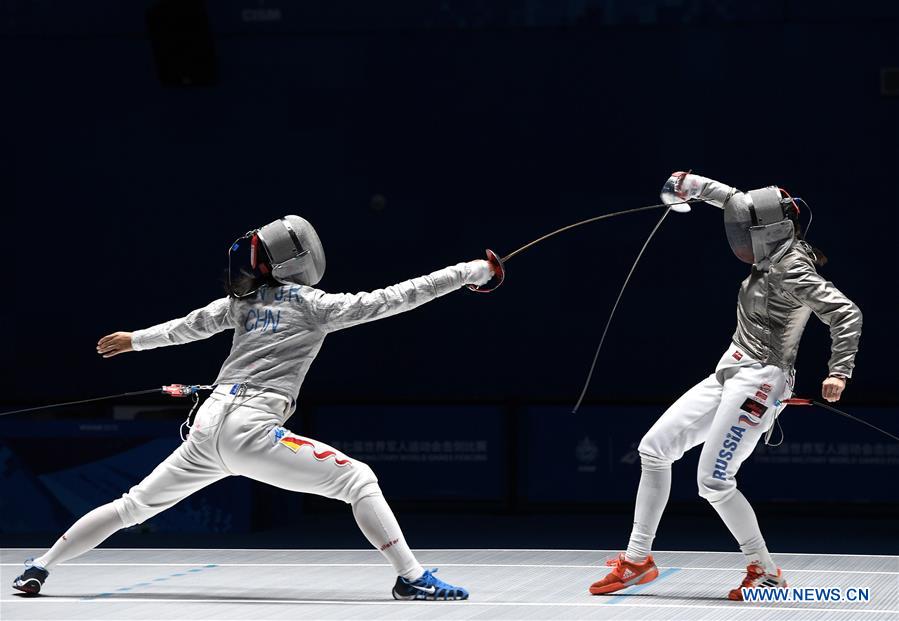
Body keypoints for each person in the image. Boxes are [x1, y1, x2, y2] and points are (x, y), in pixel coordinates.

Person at [14, 215, 496, 600]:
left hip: (206, 428)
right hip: (249, 429)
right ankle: (409, 577)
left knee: (132, 506)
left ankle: (40, 567)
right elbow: (398, 297)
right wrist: (471, 271)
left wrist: (134, 340)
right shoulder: (315, 304)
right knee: (357, 480)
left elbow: (187, 326)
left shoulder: (241, 303)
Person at [589, 173, 862, 600]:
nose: (741, 237)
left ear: (770, 233)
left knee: (714, 481)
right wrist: (689, 183)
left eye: (749, 231)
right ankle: (638, 561)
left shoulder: (792, 267)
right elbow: (734, 200)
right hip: (730, 368)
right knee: (654, 448)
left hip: (761, 380)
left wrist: (838, 371)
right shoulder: (772, 248)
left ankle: (765, 571)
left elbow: (846, 314)